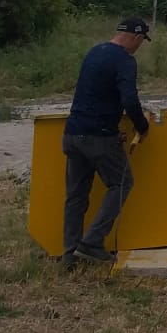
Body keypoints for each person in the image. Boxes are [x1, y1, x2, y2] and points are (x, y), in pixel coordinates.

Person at [62, 15, 153, 267]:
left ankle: (70, 253)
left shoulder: (95, 52)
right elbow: (129, 99)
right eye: (141, 41)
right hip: (98, 136)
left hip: (72, 134)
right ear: (136, 37)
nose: (139, 46)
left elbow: (94, 96)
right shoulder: (125, 60)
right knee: (122, 182)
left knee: (76, 195)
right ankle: (91, 243)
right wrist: (142, 126)